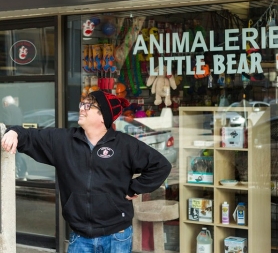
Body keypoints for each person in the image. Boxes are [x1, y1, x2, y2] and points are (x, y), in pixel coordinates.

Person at [1, 90, 172, 253]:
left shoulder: (125, 145)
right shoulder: (63, 141)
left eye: (88, 106)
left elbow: (161, 166)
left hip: (117, 236)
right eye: (82, 104)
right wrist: (15, 132)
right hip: (80, 237)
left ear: (102, 115)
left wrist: (134, 187)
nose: (81, 108)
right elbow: (31, 136)